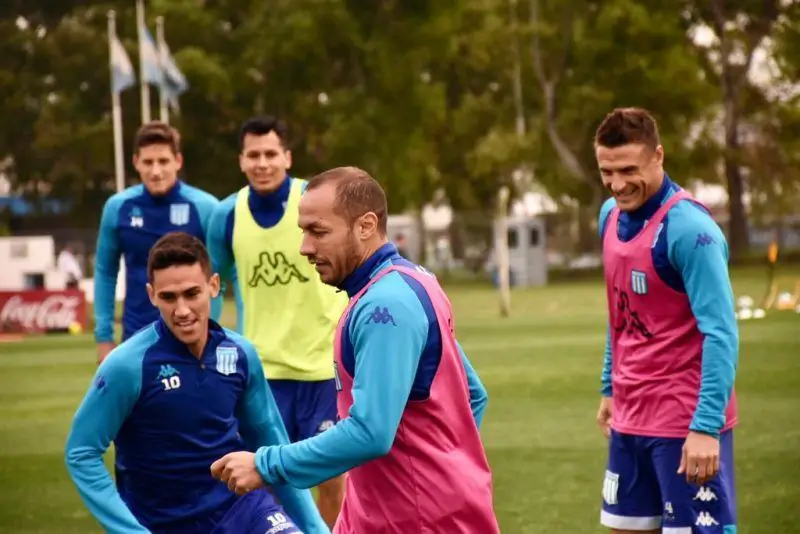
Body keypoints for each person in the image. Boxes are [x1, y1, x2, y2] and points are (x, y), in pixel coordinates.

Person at [210, 166, 499, 533]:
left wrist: (265, 465)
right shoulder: (409, 283)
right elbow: (473, 396)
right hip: (398, 516)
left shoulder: (385, 308)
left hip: (417, 522)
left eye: (318, 231)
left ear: (365, 226)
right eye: (302, 231)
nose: (305, 247)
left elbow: (370, 433)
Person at [65, 232, 328, 534]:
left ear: (213, 286)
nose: (182, 310)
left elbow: (270, 439)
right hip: (162, 523)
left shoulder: (241, 353)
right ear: (151, 295)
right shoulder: (127, 366)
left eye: (192, 294)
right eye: (168, 297)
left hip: (242, 510)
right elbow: (81, 451)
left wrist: (314, 527)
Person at [593, 108, 738, 533]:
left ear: (659, 156)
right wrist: (609, 385)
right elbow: (620, 312)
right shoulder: (610, 216)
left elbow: (721, 333)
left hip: (683, 423)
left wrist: (706, 428)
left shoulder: (692, 231)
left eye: (628, 170)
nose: (617, 184)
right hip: (631, 417)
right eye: (607, 171)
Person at [206, 117, 347, 526]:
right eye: (254, 155)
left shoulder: (314, 199)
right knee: (265, 477)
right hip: (262, 372)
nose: (262, 163)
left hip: (323, 367)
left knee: (332, 478)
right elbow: (211, 285)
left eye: (271, 154)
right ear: (241, 160)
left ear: (287, 157)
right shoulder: (226, 214)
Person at [94, 121, 219, 364]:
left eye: (163, 161)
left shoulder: (206, 208)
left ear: (178, 161)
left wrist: (209, 330)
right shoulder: (118, 208)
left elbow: (219, 276)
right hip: (136, 337)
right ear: (136, 162)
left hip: (192, 338)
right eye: (148, 162)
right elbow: (105, 272)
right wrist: (104, 337)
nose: (156, 171)